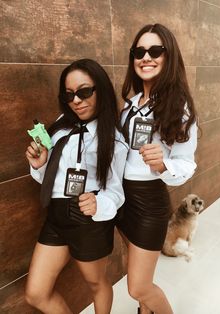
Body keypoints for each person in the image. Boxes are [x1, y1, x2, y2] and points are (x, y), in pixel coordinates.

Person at [25, 59, 128, 314]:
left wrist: (98, 204)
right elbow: (50, 179)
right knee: (35, 293)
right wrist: (40, 164)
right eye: (69, 94)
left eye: (84, 92)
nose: (77, 101)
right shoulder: (62, 124)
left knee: (96, 283)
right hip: (56, 216)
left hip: (88, 218)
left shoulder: (113, 139)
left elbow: (116, 191)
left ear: (100, 89)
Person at [116, 23, 198, 314]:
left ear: (168, 56)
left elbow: (187, 163)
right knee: (133, 264)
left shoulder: (179, 106)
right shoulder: (131, 105)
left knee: (138, 285)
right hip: (120, 197)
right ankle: (145, 310)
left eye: (155, 50)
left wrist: (163, 163)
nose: (146, 57)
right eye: (139, 51)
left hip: (148, 201)